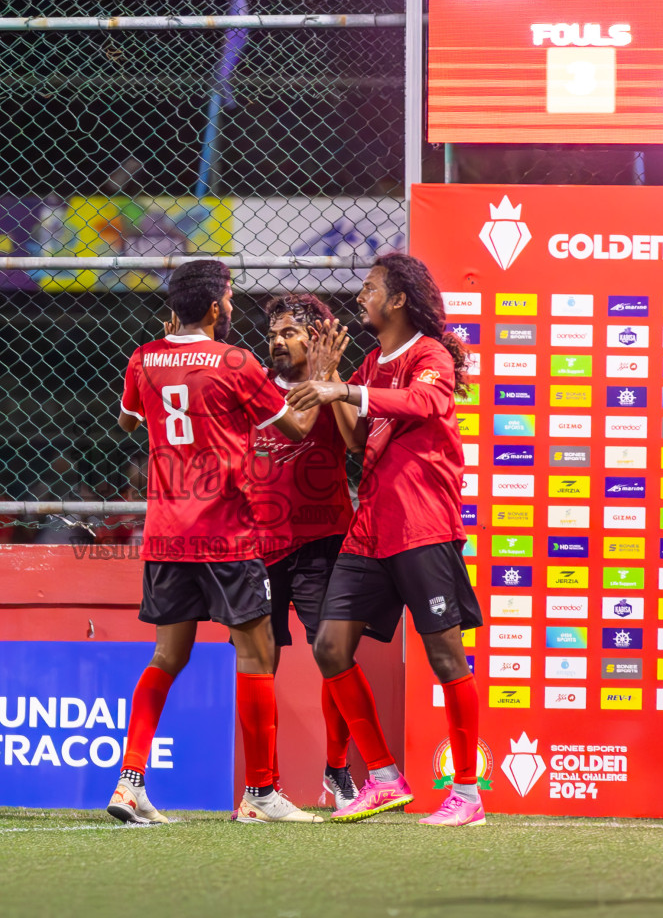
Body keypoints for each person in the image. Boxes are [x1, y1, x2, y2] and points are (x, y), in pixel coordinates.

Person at [108, 259, 329, 825]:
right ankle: (260, 794)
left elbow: (129, 422)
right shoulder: (236, 362)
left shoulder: (143, 359)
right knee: (257, 656)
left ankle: (129, 785)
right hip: (227, 532)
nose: (231, 307)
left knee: (166, 656)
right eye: (229, 298)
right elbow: (297, 429)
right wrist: (323, 376)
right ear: (213, 307)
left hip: (165, 533)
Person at [285, 252, 485, 827]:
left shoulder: (430, 354)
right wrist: (330, 385)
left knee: (447, 657)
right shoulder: (371, 362)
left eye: (369, 289)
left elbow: (426, 403)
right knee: (329, 647)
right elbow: (354, 441)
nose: (360, 297)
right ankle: (383, 776)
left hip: (423, 525)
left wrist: (343, 393)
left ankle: (467, 794)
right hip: (370, 526)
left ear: (398, 299)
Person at [246, 293, 357, 810]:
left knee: (334, 657)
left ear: (315, 337)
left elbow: (356, 446)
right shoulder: (250, 387)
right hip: (259, 544)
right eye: (273, 334)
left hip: (323, 540)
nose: (276, 342)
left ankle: (337, 772)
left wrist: (333, 388)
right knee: (259, 663)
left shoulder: (339, 386)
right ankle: (262, 789)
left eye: (289, 333)